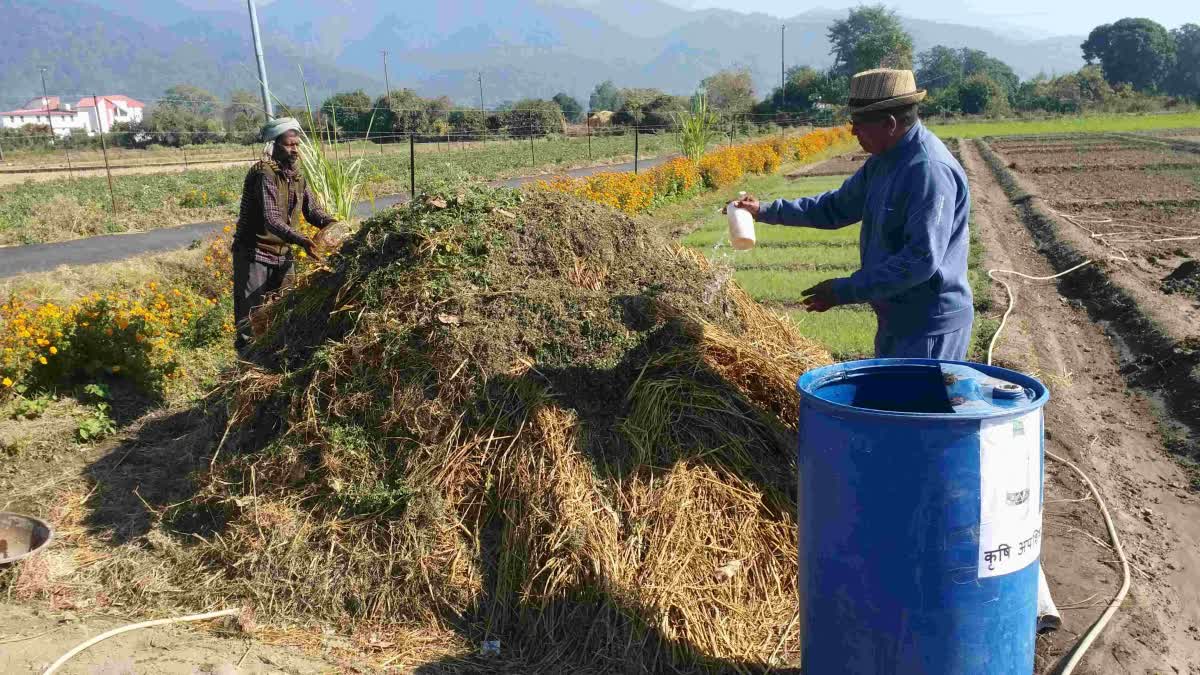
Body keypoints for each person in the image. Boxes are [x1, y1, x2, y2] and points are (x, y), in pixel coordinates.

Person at [732, 68, 973, 361]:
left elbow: (920, 260)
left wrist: (845, 290)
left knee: (917, 405)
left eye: (859, 124)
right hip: (896, 318)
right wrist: (765, 210)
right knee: (891, 404)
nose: (853, 131)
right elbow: (834, 208)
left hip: (928, 326)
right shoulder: (884, 161)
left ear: (890, 123)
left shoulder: (928, 171)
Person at [231, 117, 338, 356]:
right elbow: (272, 219)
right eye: (289, 145)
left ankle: (274, 361)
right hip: (254, 254)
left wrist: (333, 223)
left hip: (282, 254)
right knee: (251, 318)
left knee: (285, 310)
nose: (295, 150)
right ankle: (246, 368)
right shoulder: (263, 174)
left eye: (297, 145)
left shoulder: (297, 175)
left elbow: (312, 211)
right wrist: (302, 240)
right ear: (273, 145)